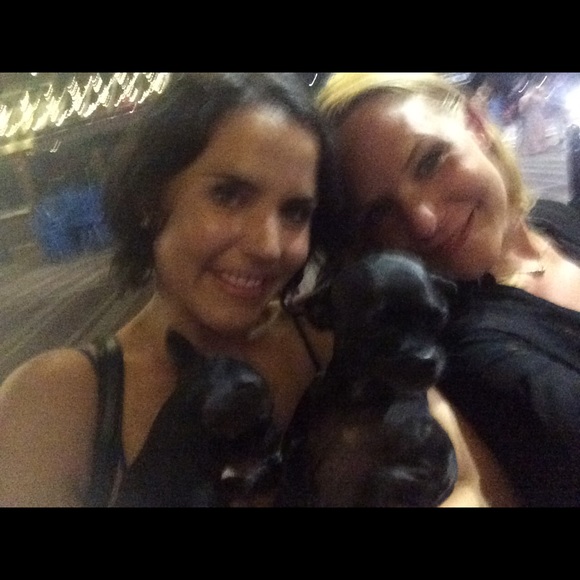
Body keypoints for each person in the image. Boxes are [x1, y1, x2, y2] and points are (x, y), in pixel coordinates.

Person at [0, 72, 511, 508]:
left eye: (295, 212)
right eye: (229, 195)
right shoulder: (57, 401)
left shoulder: (339, 341)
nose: (269, 245)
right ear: (149, 199)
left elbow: (468, 485)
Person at [316, 71, 580, 507]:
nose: (423, 221)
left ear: (475, 124)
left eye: (429, 161)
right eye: (380, 212)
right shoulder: (472, 353)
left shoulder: (554, 220)